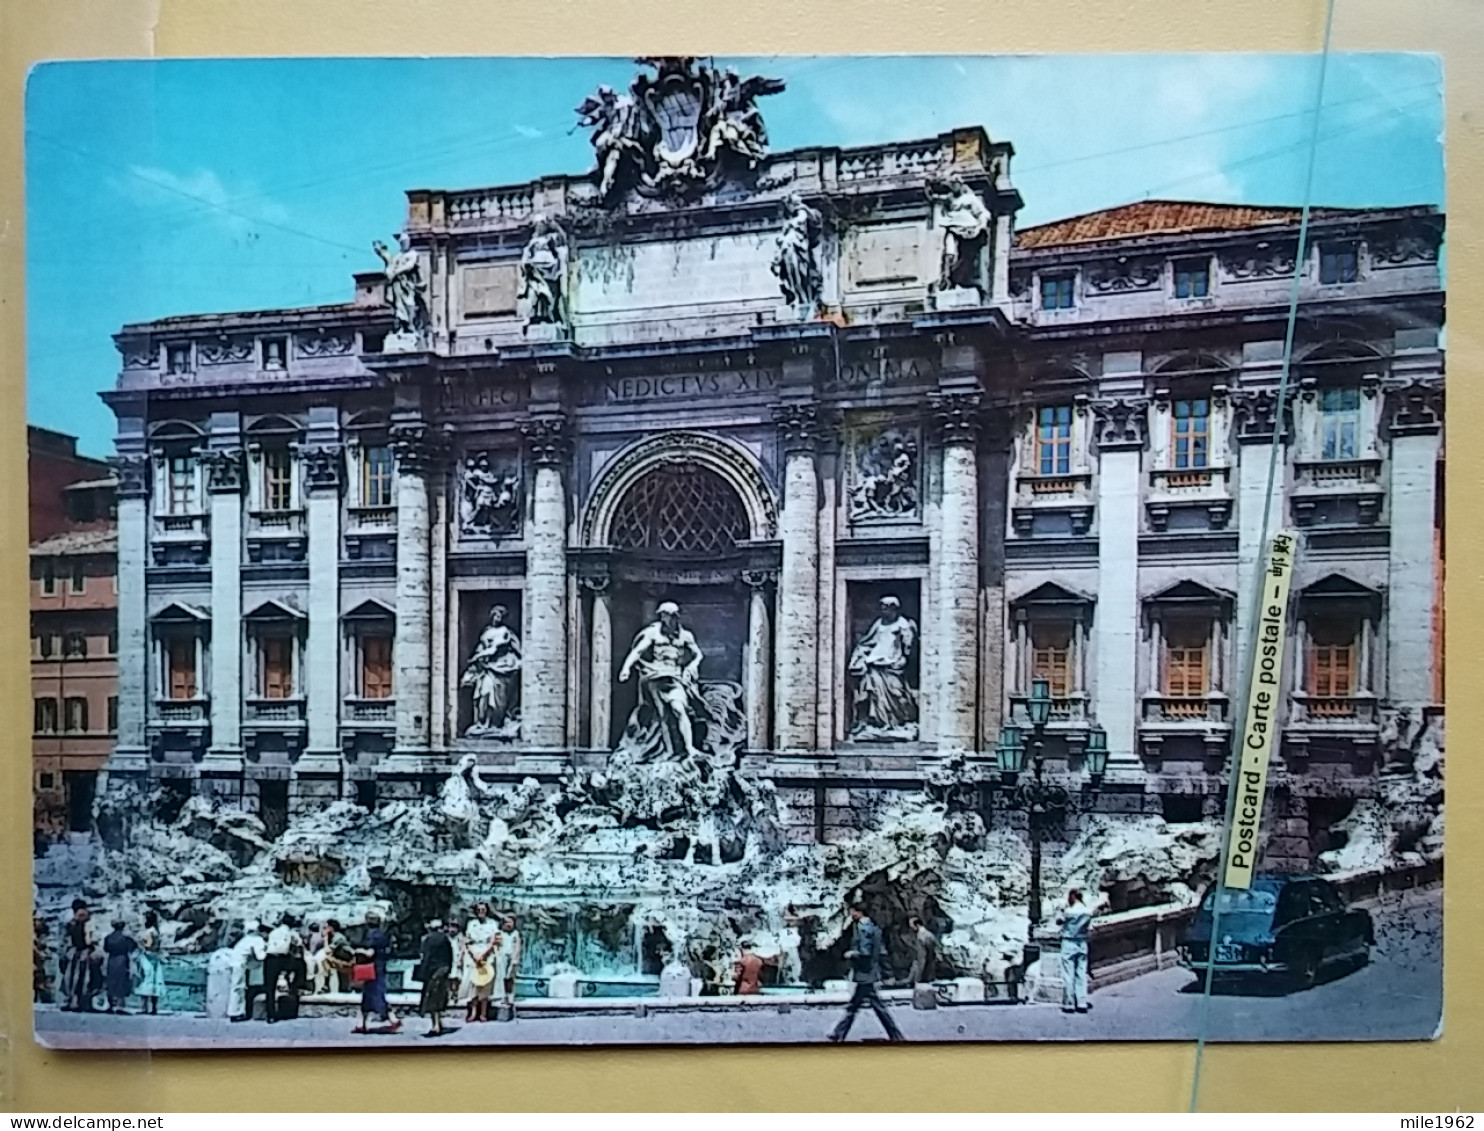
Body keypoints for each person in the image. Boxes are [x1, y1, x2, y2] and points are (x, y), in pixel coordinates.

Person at [615, 602, 707, 762]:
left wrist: (692, 666)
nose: (666, 619)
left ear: (676, 616)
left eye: (669, 615)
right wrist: (626, 668)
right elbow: (637, 651)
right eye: (664, 615)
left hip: (675, 677)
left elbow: (698, 654)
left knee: (679, 709)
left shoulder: (685, 636)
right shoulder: (653, 633)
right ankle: (670, 751)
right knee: (663, 716)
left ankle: (690, 748)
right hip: (656, 676)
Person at [827, 903, 905, 1043]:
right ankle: (839, 1033)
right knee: (867, 1006)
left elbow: (865, 952)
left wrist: (851, 954)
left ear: (858, 912)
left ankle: (839, 1034)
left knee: (867, 1007)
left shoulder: (863, 928)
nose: (850, 914)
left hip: (865, 973)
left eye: (852, 911)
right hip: (870, 972)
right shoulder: (873, 927)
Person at [848, 596, 920, 742]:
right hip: (875, 664)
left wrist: (904, 656)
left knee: (897, 693)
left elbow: (909, 647)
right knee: (875, 694)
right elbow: (868, 641)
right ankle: (880, 723)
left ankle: (897, 723)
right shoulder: (879, 624)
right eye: (882, 607)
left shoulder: (903, 624)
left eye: (886, 607)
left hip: (894, 665)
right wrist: (860, 656)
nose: (883, 610)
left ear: (894, 608)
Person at [460, 606, 522, 737]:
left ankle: (495, 723)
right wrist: (478, 658)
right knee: (484, 692)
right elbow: (480, 648)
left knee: (499, 697)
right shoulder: (486, 631)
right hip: (487, 668)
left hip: (503, 667)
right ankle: (483, 723)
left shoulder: (506, 632)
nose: (496, 619)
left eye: (499, 617)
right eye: (495, 616)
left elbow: (515, 650)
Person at [353, 910, 400, 1034]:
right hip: (379, 967)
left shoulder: (371, 935)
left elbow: (370, 953)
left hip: (372, 969)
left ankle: (393, 1020)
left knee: (375, 996)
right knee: (371, 997)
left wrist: (358, 951)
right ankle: (362, 1023)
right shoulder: (382, 934)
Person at [59, 900, 101, 1013]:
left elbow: (66, 939)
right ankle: (85, 1003)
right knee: (87, 977)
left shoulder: (71, 922)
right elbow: (89, 940)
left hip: (74, 952)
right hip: (85, 952)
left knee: (72, 977)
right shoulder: (88, 922)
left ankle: (73, 1001)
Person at [461, 902, 499, 1023]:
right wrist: (473, 954)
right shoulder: (471, 924)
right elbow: (467, 941)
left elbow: (493, 941)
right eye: (479, 910)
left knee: (485, 983)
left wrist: (483, 954)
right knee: (473, 984)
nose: (481, 912)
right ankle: (473, 1012)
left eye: (483, 910)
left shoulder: (492, 924)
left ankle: (483, 1013)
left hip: (487, 954)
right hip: (473, 954)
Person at [1059, 889, 1095, 1014]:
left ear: (1073, 897)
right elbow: (1090, 929)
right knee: (1081, 974)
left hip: (1069, 942)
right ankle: (1082, 1002)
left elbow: (1059, 921)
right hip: (1082, 943)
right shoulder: (1087, 912)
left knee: (1068, 974)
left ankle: (1069, 1003)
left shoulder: (1068, 912)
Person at [418, 918, 454, 1038]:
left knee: (432, 1000)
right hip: (443, 970)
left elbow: (426, 958)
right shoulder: (445, 939)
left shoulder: (428, 940)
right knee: (439, 998)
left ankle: (436, 1025)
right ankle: (439, 1023)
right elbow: (450, 956)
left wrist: (422, 973)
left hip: (432, 972)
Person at [228, 922, 270, 1022]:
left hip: (235, 964)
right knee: (238, 988)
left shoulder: (246, 939)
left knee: (236, 988)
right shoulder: (257, 940)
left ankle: (237, 1011)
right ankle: (236, 1013)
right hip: (240, 966)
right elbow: (261, 956)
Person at [264, 915, 297, 1023]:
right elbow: (294, 944)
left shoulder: (274, 932)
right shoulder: (289, 933)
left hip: (269, 958)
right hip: (282, 958)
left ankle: (270, 1014)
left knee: (270, 988)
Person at [102, 918, 137, 1014]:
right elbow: (133, 947)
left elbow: (106, 949)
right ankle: (120, 1005)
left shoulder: (108, 937)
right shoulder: (126, 938)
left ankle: (110, 1004)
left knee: (111, 981)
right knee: (121, 982)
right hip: (122, 960)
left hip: (111, 959)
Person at [135, 910, 165, 1015]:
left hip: (147, 957)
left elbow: (149, 944)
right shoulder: (156, 931)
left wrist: (140, 943)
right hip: (155, 958)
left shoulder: (149, 932)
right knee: (155, 982)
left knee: (145, 981)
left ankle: (144, 1007)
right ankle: (154, 1007)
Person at [494, 914, 522, 1009]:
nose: (508, 924)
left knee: (510, 977)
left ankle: (511, 995)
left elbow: (518, 946)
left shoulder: (515, 933)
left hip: (512, 956)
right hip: (502, 956)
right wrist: (497, 955)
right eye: (506, 922)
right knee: (502, 976)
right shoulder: (500, 933)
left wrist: (515, 957)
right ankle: (503, 995)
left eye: (510, 922)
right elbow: (496, 945)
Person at [908, 916, 938, 986]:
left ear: (917, 925)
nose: (911, 928)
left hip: (925, 962)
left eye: (912, 926)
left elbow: (928, 951)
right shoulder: (922, 934)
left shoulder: (924, 935)